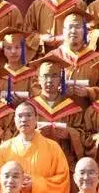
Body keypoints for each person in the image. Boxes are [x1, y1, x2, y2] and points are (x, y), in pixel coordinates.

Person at [0, 102, 71, 193]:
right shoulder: (4, 149)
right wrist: (15, 184)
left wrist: (36, 184)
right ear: (15, 120)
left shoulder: (53, 147)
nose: (24, 119)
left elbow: (62, 180)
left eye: (28, 115)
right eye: (20, 116)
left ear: (36, 119)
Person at [30, 52, 87, 182]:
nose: (49, 80)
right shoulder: (30, 107)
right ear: (38, 79)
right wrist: (34, 134)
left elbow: (83, 134)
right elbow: (18, 136)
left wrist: (69, 133)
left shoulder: (72, 108)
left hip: (64, 161)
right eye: (45, 76)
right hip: (36, 160)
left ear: (61, 79)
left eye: (54, 76)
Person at [52, 9, 99, 106]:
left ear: (85, 31)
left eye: (78, 27)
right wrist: (57, 91)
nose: (73, 31)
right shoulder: (53, 58)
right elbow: (38, 89)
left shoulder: (97, 59)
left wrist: (89, 92)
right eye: (70, 27)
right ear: (63, 31)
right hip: (59, 112)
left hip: (87, 113)